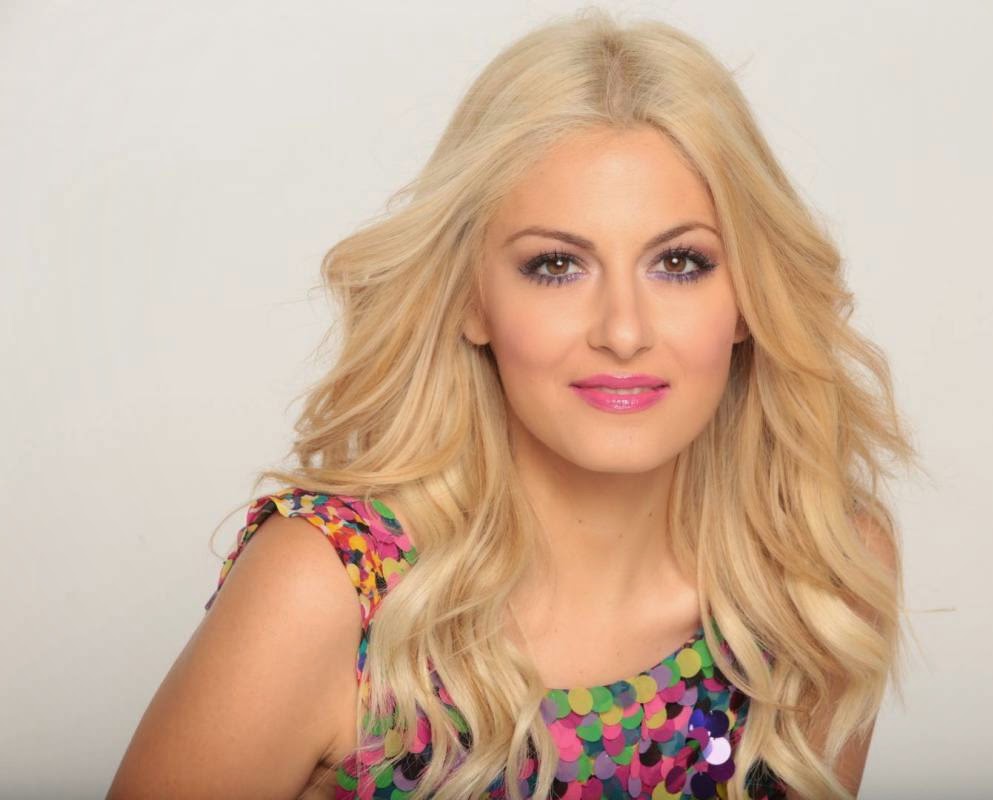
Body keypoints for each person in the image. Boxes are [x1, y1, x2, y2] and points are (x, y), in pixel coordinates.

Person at [108, 7, 918, 800]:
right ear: (472, 300)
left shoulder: (823, 582)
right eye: (556, 266)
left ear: (747, 298)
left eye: (679, 263)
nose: (624, 332)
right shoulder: (328, 592)